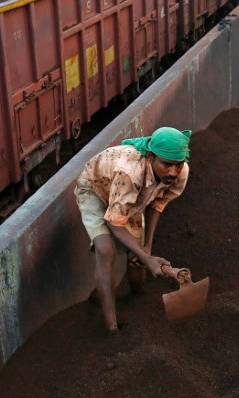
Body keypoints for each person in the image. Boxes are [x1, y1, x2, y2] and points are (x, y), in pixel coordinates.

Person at [74, 126, 191, 332]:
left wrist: (147, 248)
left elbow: (157, 204)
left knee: (137, 257)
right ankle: (112, 327)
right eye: (166, 165)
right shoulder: (131, 172)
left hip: (130, 197)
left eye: (178, 165)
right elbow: (114, 223)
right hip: (95, 189)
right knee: (105, 250)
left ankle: (138, 297)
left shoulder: (180, 173)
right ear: (151, 157)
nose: (173, 171)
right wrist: (148, 259)